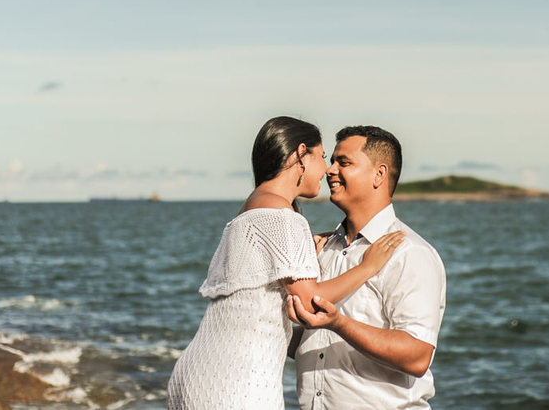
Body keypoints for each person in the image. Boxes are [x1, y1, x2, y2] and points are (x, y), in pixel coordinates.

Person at [167, 116, 405, 410]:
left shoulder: (253, 207)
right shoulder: (283, 217)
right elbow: (308, 302)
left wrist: (305, 256)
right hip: (236, 382)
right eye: (321, 157)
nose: (327, 170)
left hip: (201, 373)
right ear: (300, 155)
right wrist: (367, 266)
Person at [290, 125, 447, 409]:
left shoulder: (410, 253)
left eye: (344, 162)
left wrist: (339, 324)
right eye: (332, 160)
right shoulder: (322, 248)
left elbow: (417, 355)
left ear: (379, 174)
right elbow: (314, 336)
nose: (329, 170)